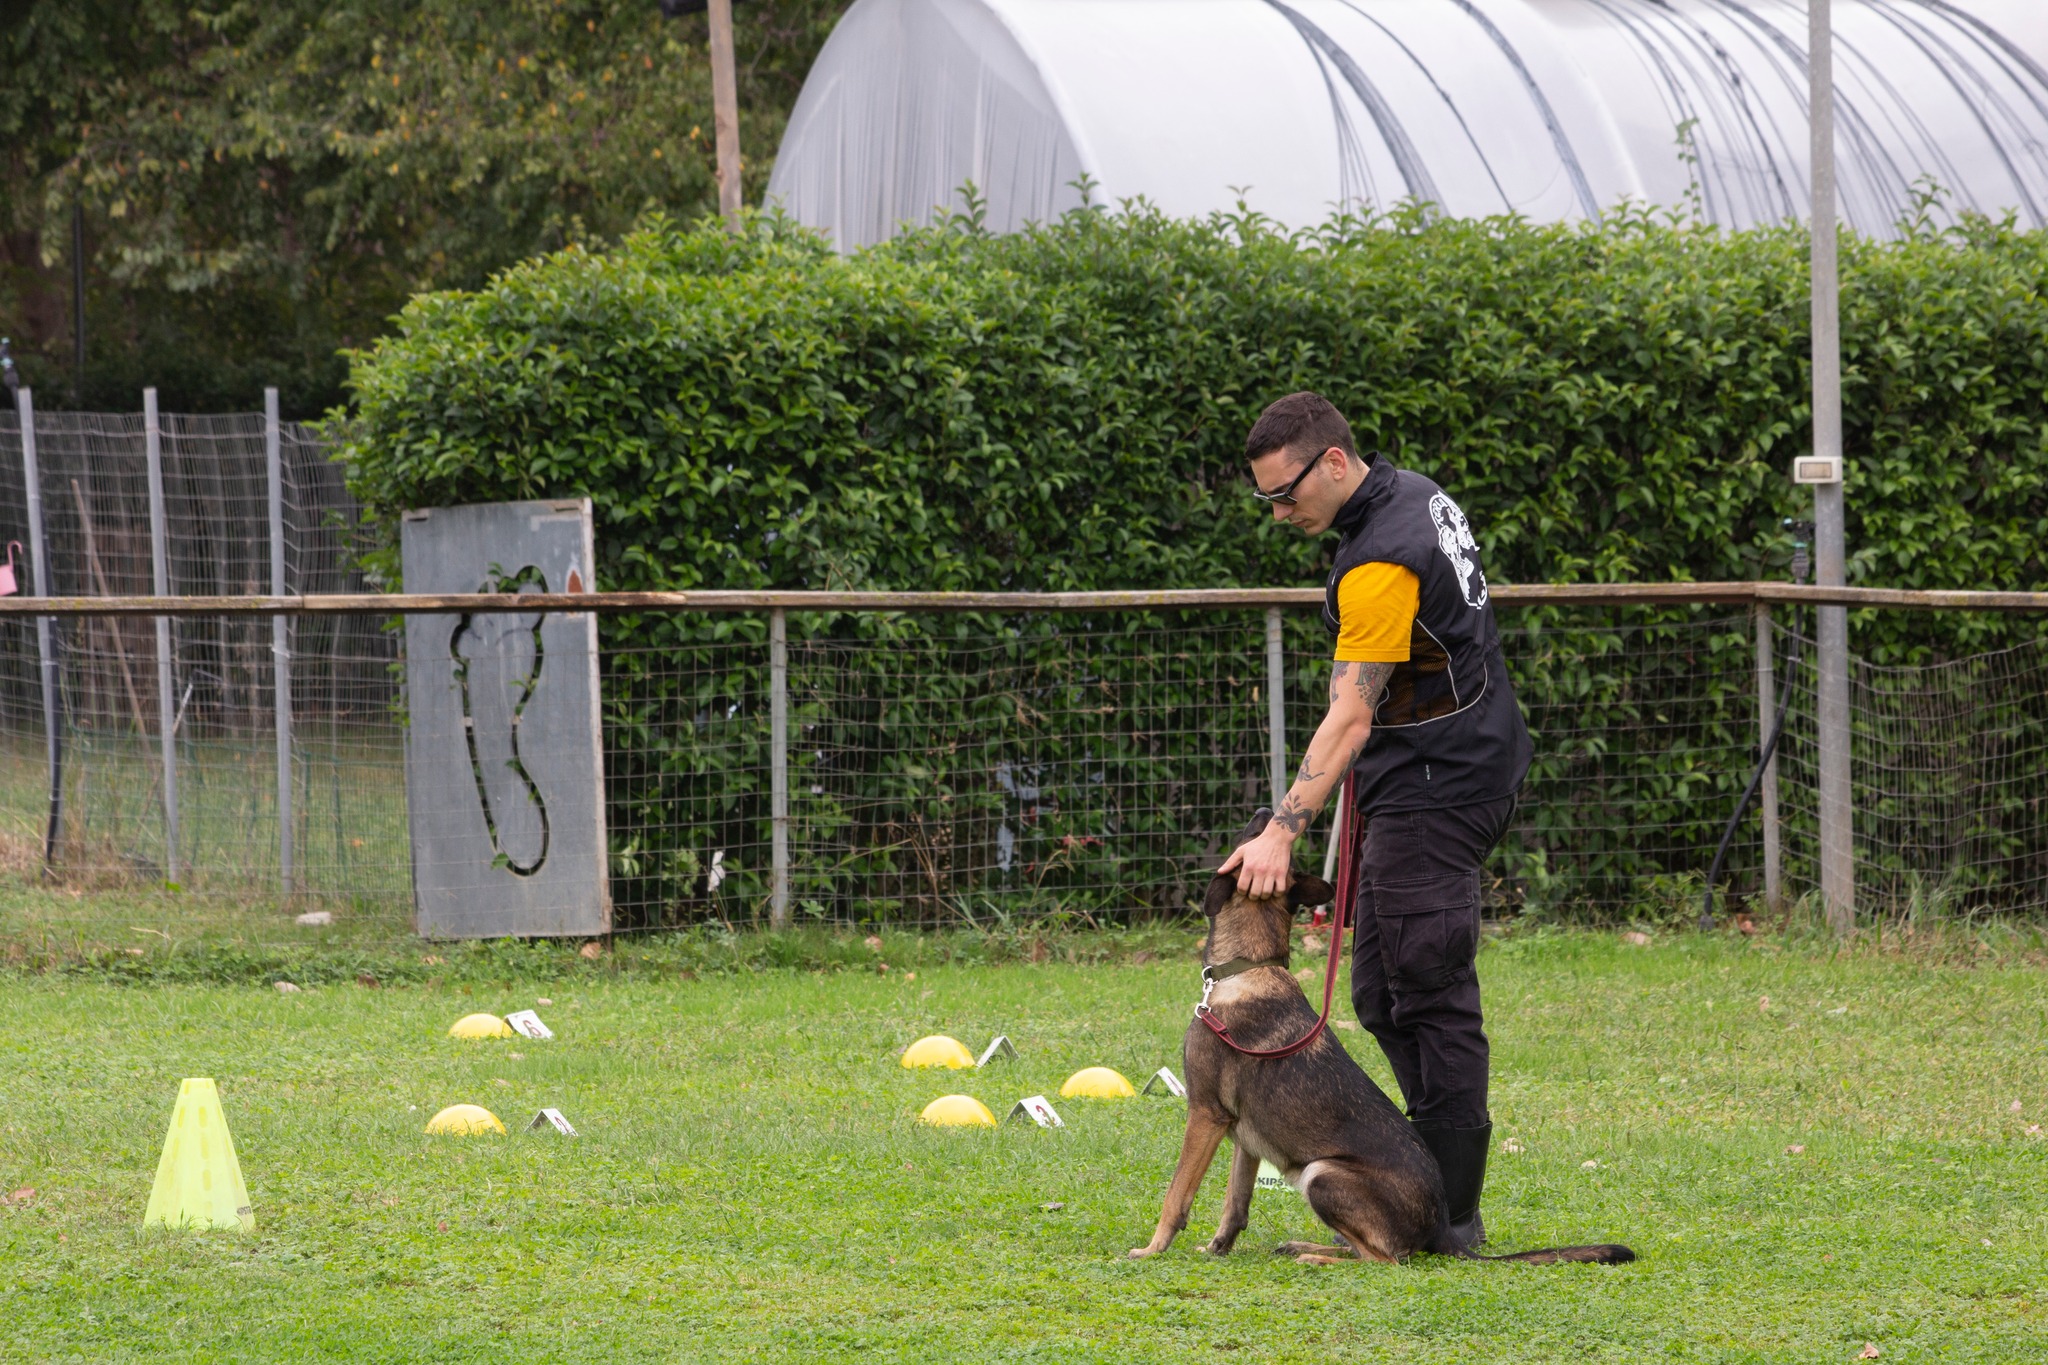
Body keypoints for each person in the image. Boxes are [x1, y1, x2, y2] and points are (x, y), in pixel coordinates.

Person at [1218, 390, 1532, 1252]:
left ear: (1333, 462)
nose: (1280, 512)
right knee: (1378, 990)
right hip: (1436, 767)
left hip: (1441, 783)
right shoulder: (1408, 495)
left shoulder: (1380, 559)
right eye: (1266, 499)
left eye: (1286, 493)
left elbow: (1352, 714)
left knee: (1427, 989)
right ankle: (1418, 1184)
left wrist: (1283, 826)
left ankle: (1451, 1221)